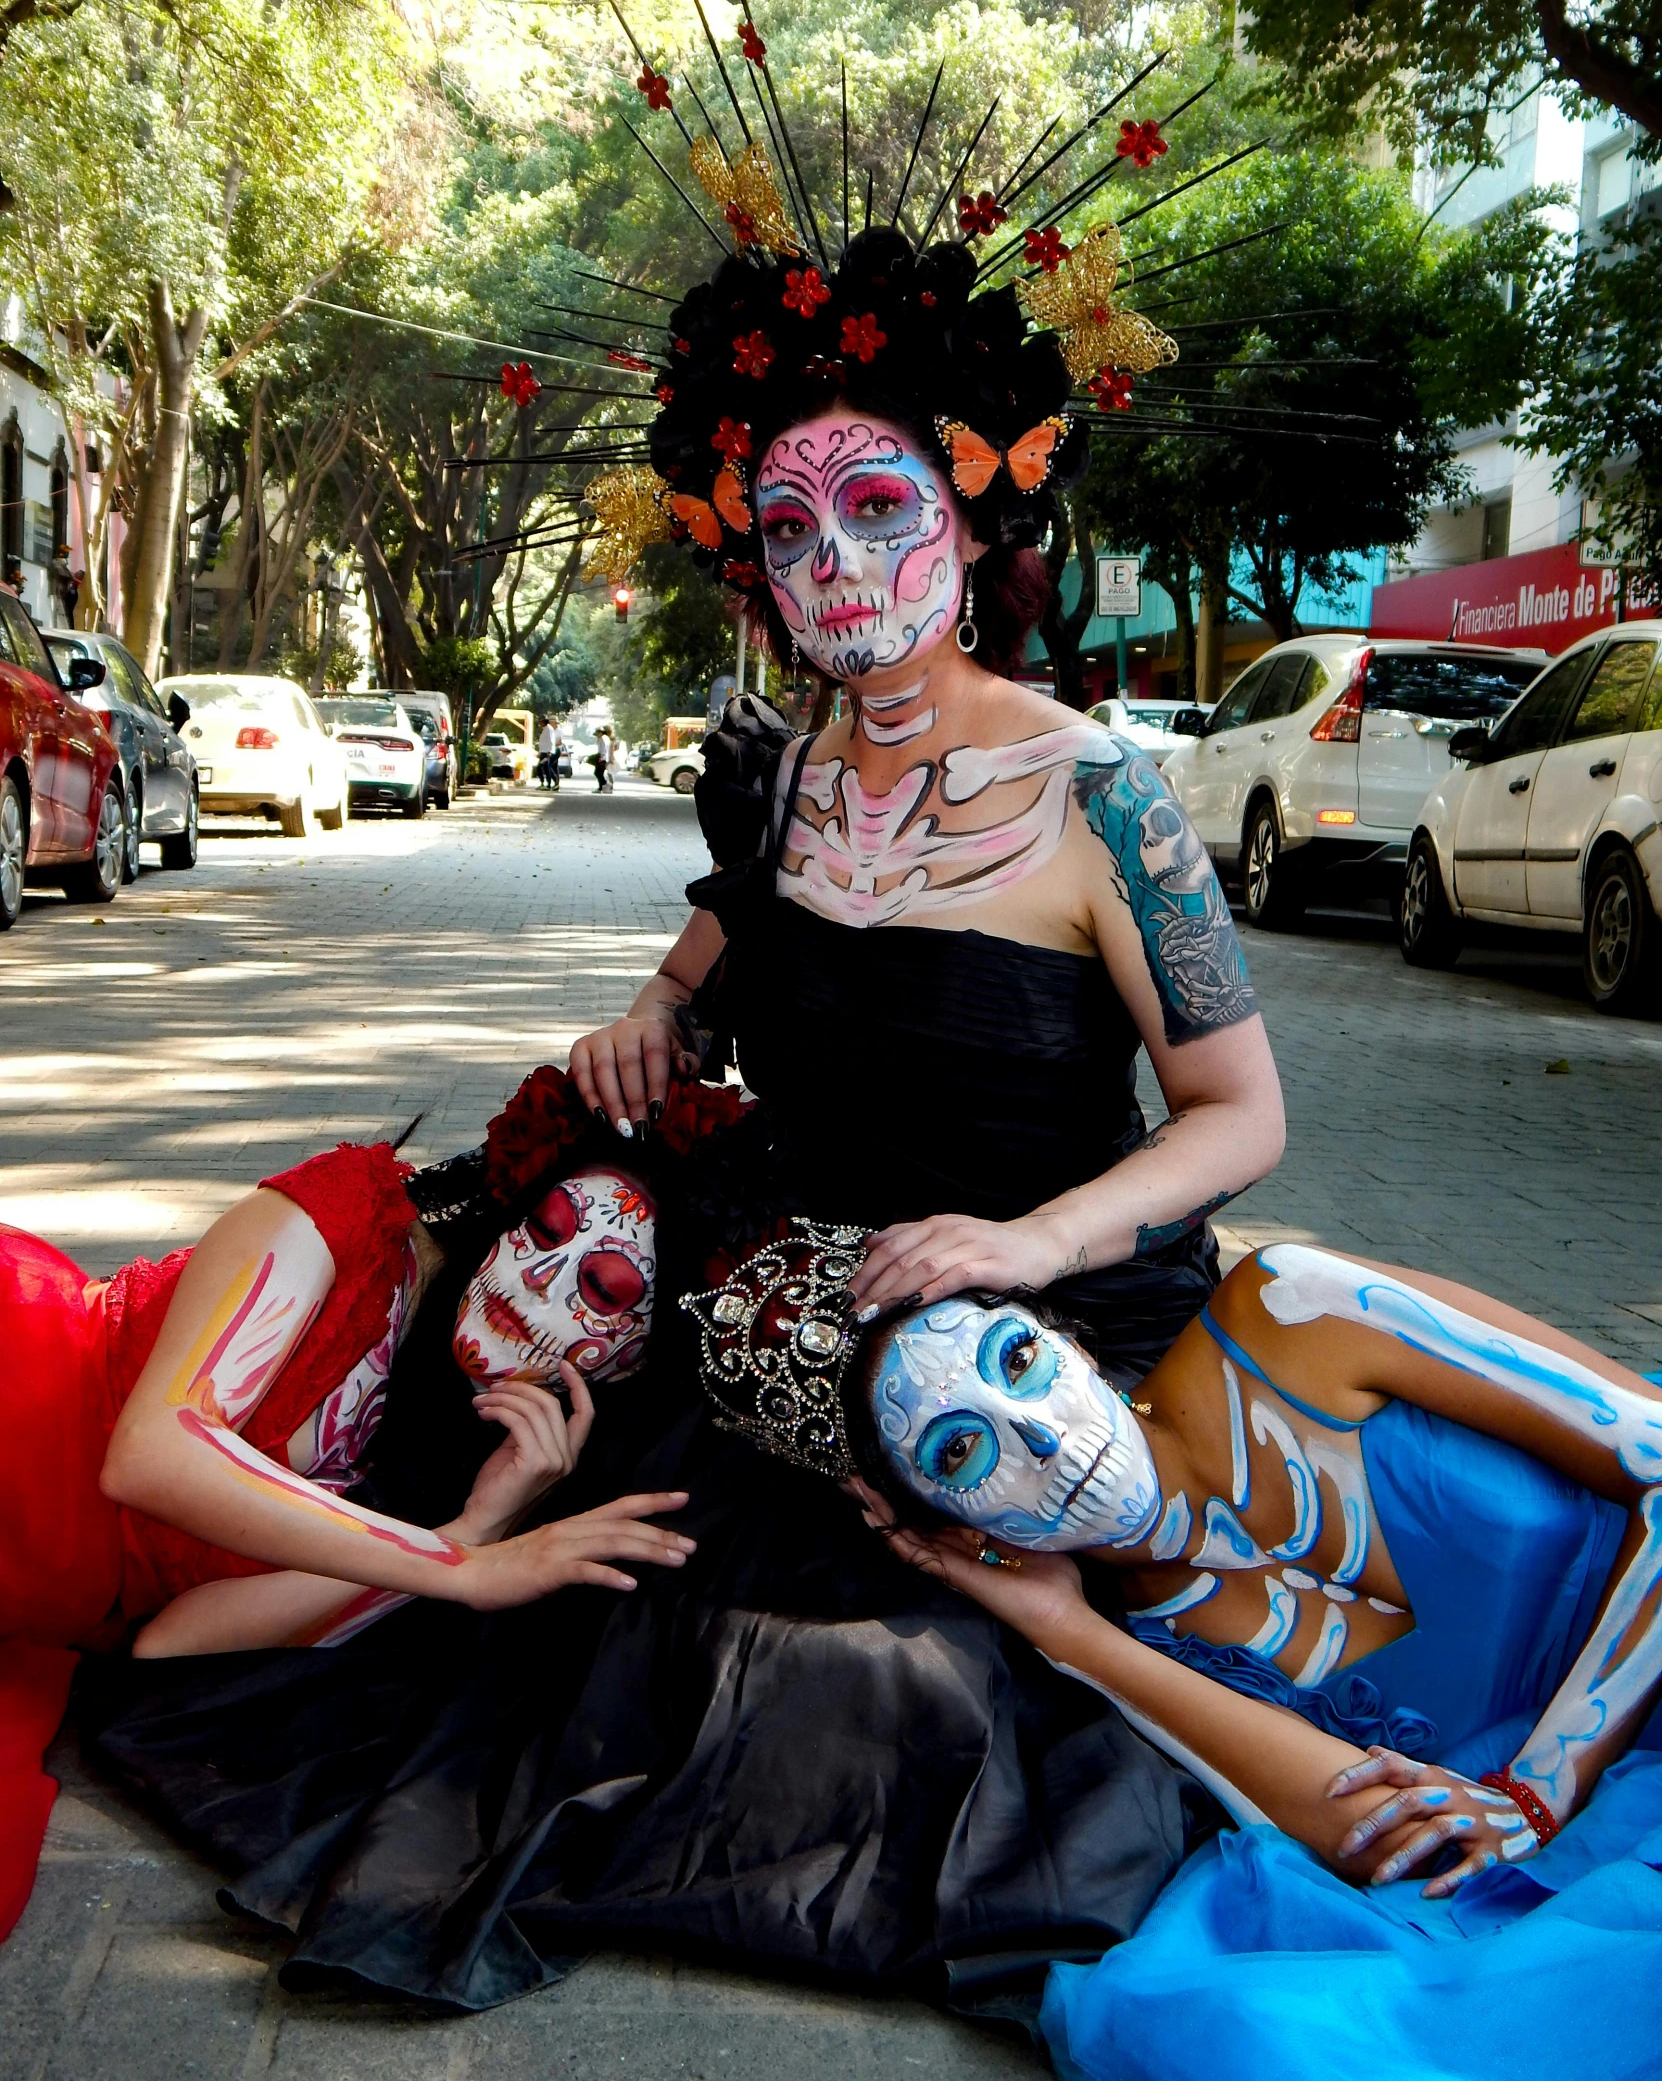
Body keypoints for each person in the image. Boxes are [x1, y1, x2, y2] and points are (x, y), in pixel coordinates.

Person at [69, 171, 1283, 2008]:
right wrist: (644, 1029)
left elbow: (1239, 1117)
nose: (836, 568)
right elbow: (702, 977)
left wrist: (1023, 1246)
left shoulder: (1107, 797)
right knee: (607, 1612)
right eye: (789, 530)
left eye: (879, 508)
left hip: (1017, 1313)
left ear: (975, 514)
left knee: (882, 1693)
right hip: (775, 1296)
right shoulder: (781, 783)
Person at [691, 1229, 1662, 2081]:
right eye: (958, 1451)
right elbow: (1404, 1842)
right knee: (1260, 2033)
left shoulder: (1294, 1313)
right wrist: (1071, 1635)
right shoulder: (1152, 1641)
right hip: (1618, 1825)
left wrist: (1545, 1779)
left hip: (1601, 1752)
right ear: (949, 1527)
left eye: (1018, 1357)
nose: (1037, 1432)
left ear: (1066, 1335)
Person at [0, 1124, 696, 1943]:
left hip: (40, 1579)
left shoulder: (419, 1462)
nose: (537, 1276)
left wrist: (477, 1525)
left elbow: (171, 1648)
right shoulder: (351, 1218)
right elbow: (152, 1454)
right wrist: (459, 1567)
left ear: (631, 1360)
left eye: (605, 1289)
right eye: (543, 1229)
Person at [536, 717, 559, 790]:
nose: (539, 724)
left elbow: (551, 740)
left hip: (547, 752)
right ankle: (546, 783)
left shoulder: (549, 729)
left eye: (540, 722)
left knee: (544, 768)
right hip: (543, 751)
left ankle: (548, 784)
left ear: (544, 722)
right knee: (543, 768)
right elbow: (543, 743)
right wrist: (539, 752)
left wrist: (550, 752)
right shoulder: (545, 729)